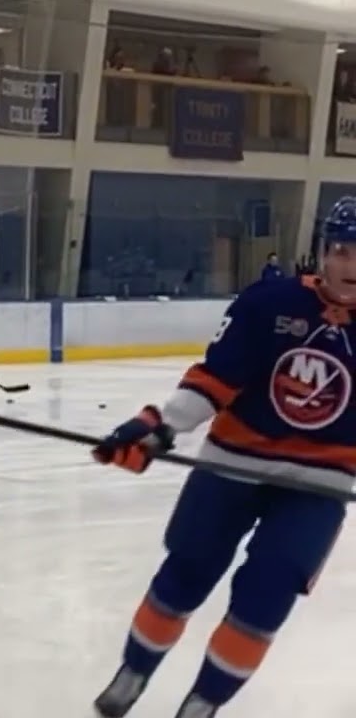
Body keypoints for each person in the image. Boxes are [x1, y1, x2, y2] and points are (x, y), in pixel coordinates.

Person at [89, 196, 356, 717]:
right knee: (186, 571)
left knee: (266, 597)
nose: (353, 266)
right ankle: (135, 669)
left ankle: (203, 704)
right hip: (232, 464)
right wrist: (158, 430)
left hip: (319, 487)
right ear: (324, 253)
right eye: (343, 251)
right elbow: (218, 378)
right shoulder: (269, 303)